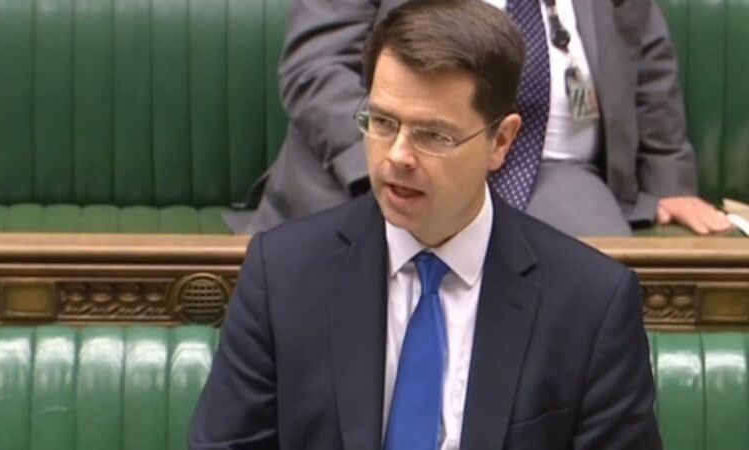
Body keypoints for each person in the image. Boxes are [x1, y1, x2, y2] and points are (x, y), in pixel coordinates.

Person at [190, 1, 661, 448]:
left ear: (501, 141)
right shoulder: (281, 275)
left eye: (434, 135)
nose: (398, 156)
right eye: (382, 122)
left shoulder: (591, 304)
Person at [233, 0, 732, 236]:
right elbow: (316, 68)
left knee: (600, 306)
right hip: (386, 163)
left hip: (558, 172)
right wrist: (390, 158)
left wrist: (667, 182)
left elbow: (647, 66)